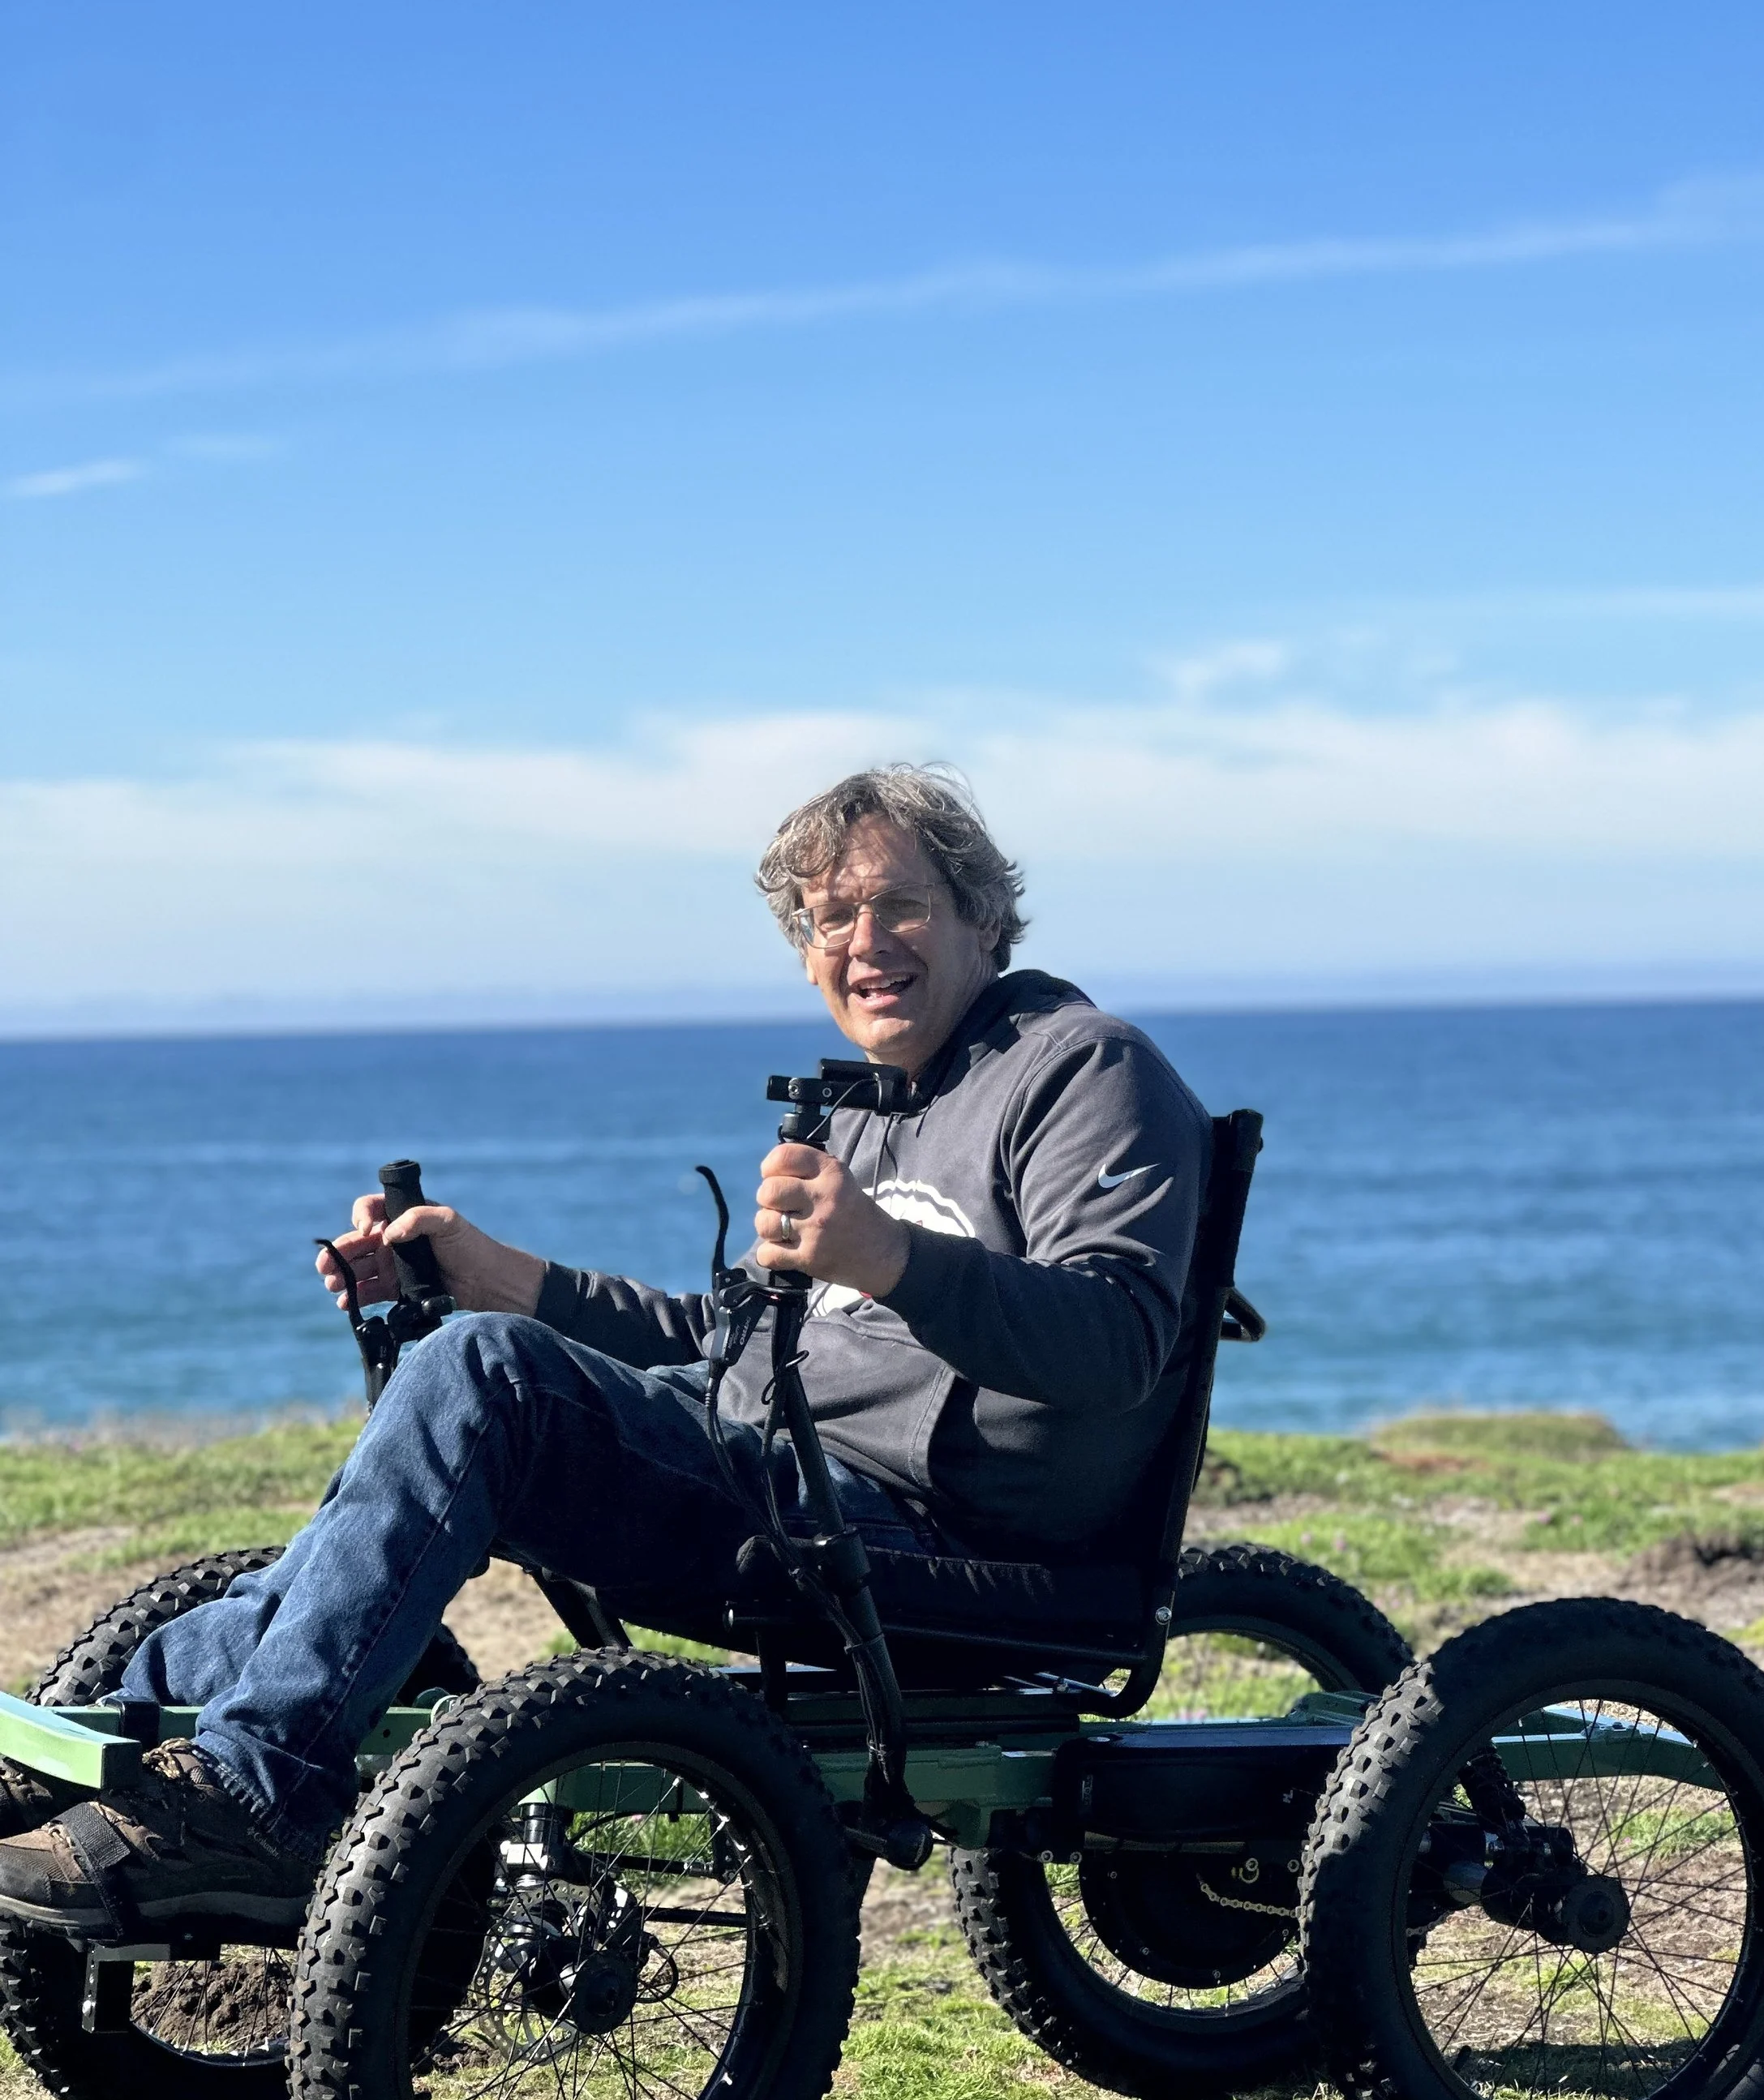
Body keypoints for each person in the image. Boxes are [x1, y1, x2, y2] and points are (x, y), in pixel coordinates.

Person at [0, 765, 1210, 1931]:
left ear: (980, 914)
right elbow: (729, 1350)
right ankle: (99, 1738)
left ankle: (250, 1797)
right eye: (833, 916)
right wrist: (503, 1278)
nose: (865, 940)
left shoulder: (1084, 1068)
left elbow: (1118, 1341)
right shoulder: (874, 1099)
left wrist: (887, 1256)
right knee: (452, 1387)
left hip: (936, 1548)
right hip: (789, 1482)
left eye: (900, 904)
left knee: (484, 1375)